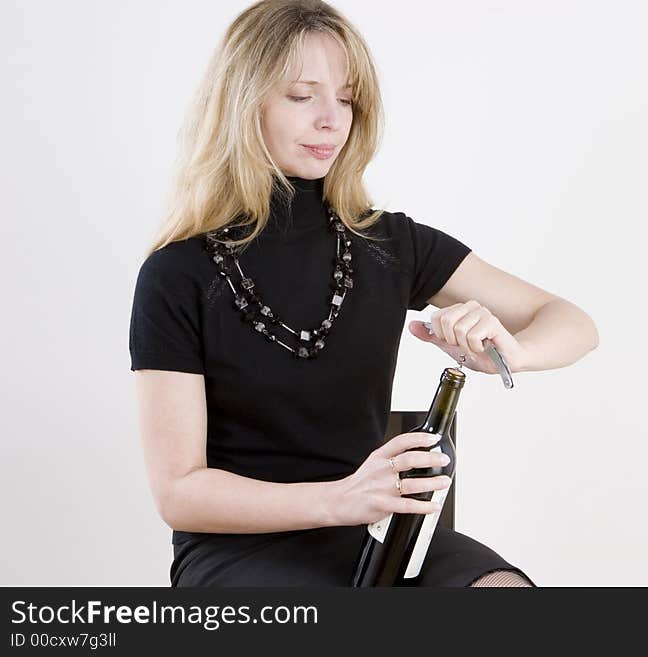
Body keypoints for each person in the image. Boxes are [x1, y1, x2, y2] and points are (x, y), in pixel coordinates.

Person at [129, 0, 599, 587]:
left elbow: (574, 324)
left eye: (347, 98)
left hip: (379, 532)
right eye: (302, 96)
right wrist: (342, 499)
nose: (332, 119)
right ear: (242, 105)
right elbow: (180, 494)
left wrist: (513, 351)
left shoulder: (391, 245)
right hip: (239, 553)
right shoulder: (177, 275)